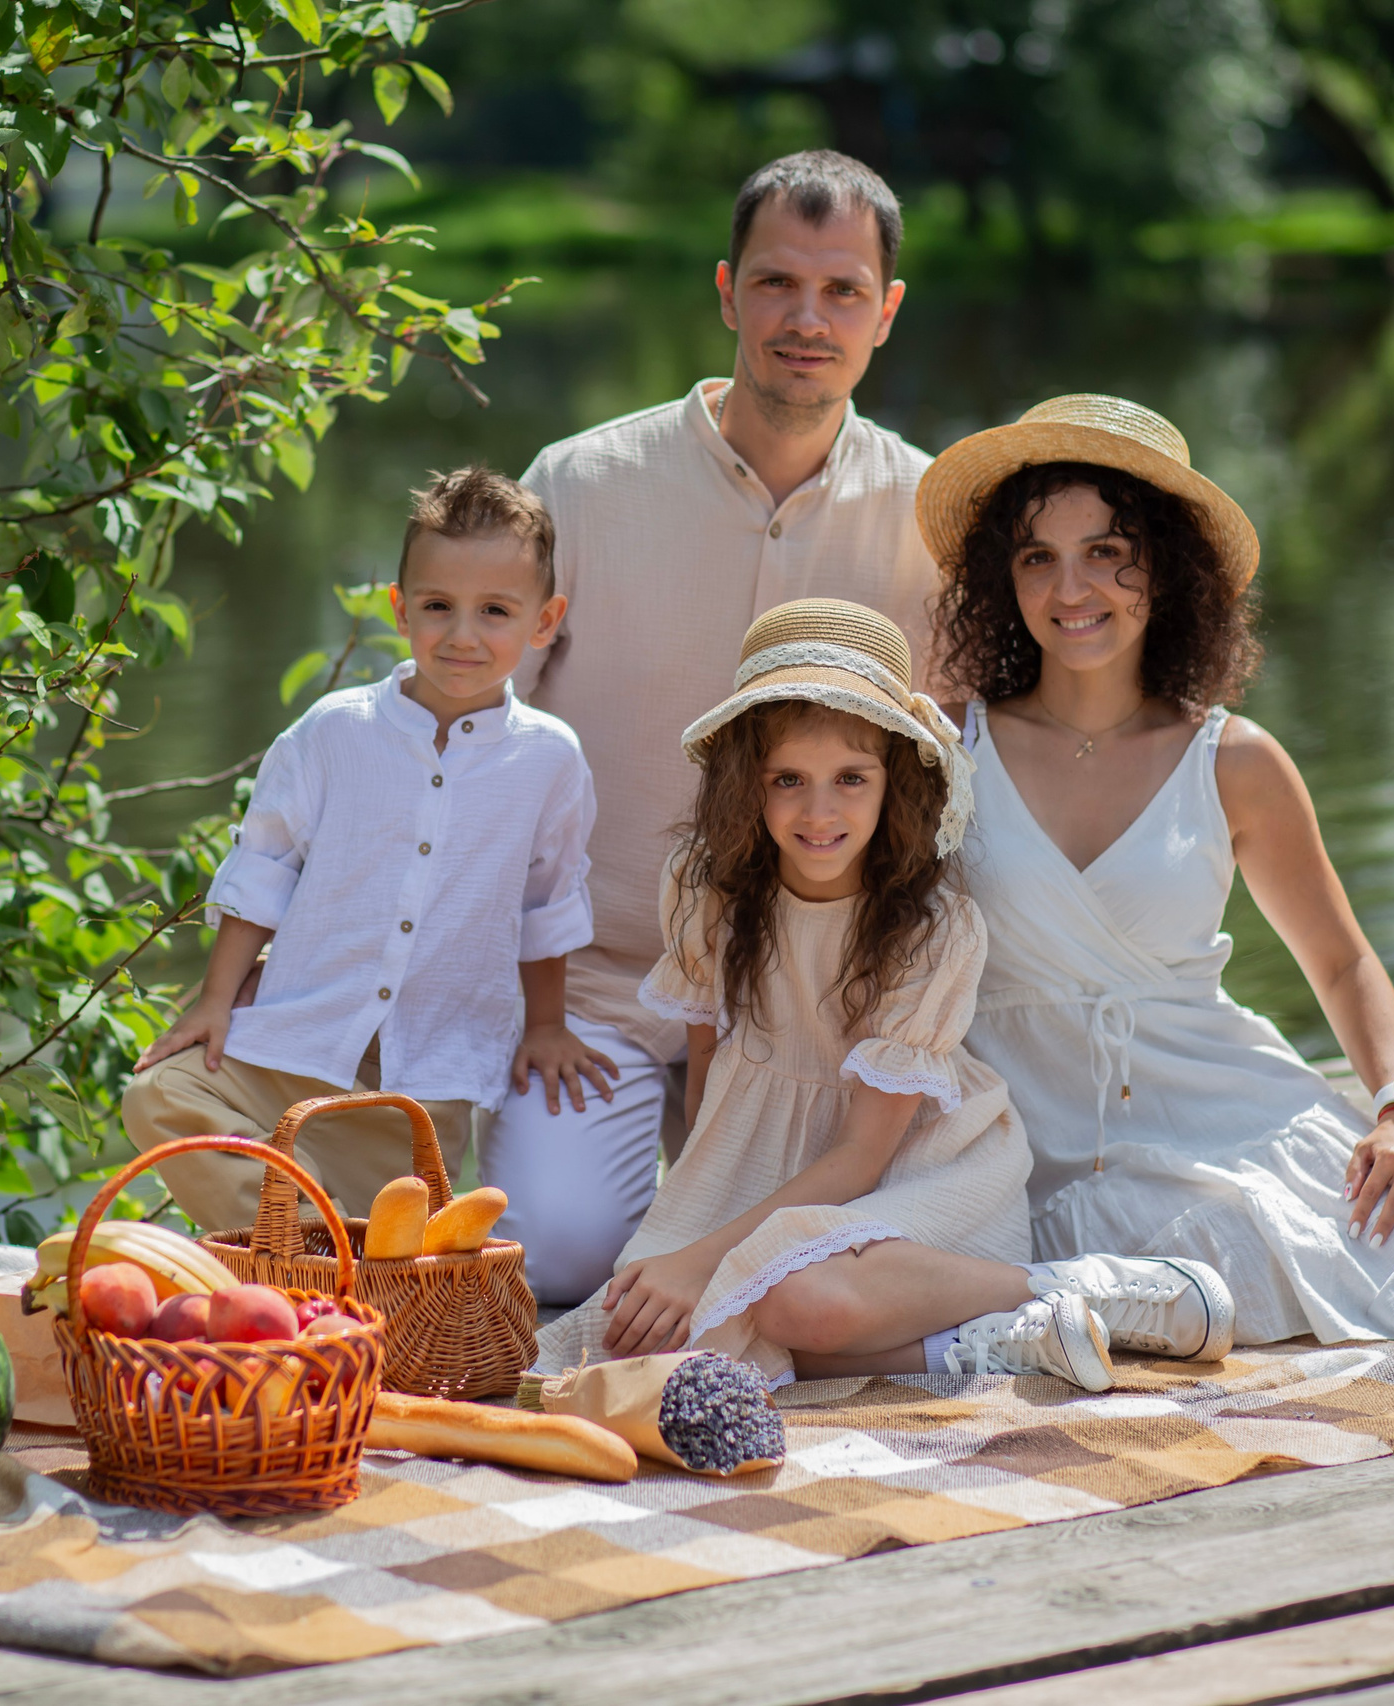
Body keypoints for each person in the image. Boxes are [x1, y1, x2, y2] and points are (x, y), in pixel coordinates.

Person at [920, 394, 1394, 1346]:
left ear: (1164, 569)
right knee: (1174, 1282)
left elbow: (1343, 963)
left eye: (1106, 550)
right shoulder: (945, 750)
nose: (1071, 586)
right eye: (1037, 557)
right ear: (1003, 580)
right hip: (1025, 1136)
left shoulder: (1234, 759)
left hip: (1214, 1103)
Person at [535, 601, 1236, 1391]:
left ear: (894, 779)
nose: (819, 811)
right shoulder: (707, 891)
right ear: (747, 783)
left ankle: (1070, 1287)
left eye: (851, 779)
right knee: (636, 1345)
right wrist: (691, 1223)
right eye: (787, 780)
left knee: (792, 1295)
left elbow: (864, 1154)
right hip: (763, 1163)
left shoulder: (929, 929)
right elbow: (706, 1075)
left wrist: (709, 1257)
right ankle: (999, 1340)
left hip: (915, 1175)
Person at [497, 150, 946, 1304]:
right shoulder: (582, 483)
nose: (808, 318)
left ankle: (686, 1216)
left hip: (799, 1005)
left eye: (843, 290)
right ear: (725, 291)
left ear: (886, 311)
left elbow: (952, 780)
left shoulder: (930, 516)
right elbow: (482, 737)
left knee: (799, 1276)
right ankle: (612, 1195)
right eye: (776, 283)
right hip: (589, 986)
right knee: (555, 1254)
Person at [119, 467, 613, 1231]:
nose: (462, 635)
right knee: (156, 1096)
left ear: (544, 622)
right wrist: (216, 1001)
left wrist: (546, 1026)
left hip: (424, 1082)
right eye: (438, 607)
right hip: (296, 1047)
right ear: (399, 606)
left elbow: (547, 902)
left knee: (410, 1230)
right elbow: (264, 868)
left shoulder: (550, 761)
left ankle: (313, 1225)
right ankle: (309, 1227)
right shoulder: (332, 732)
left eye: (495, 611)